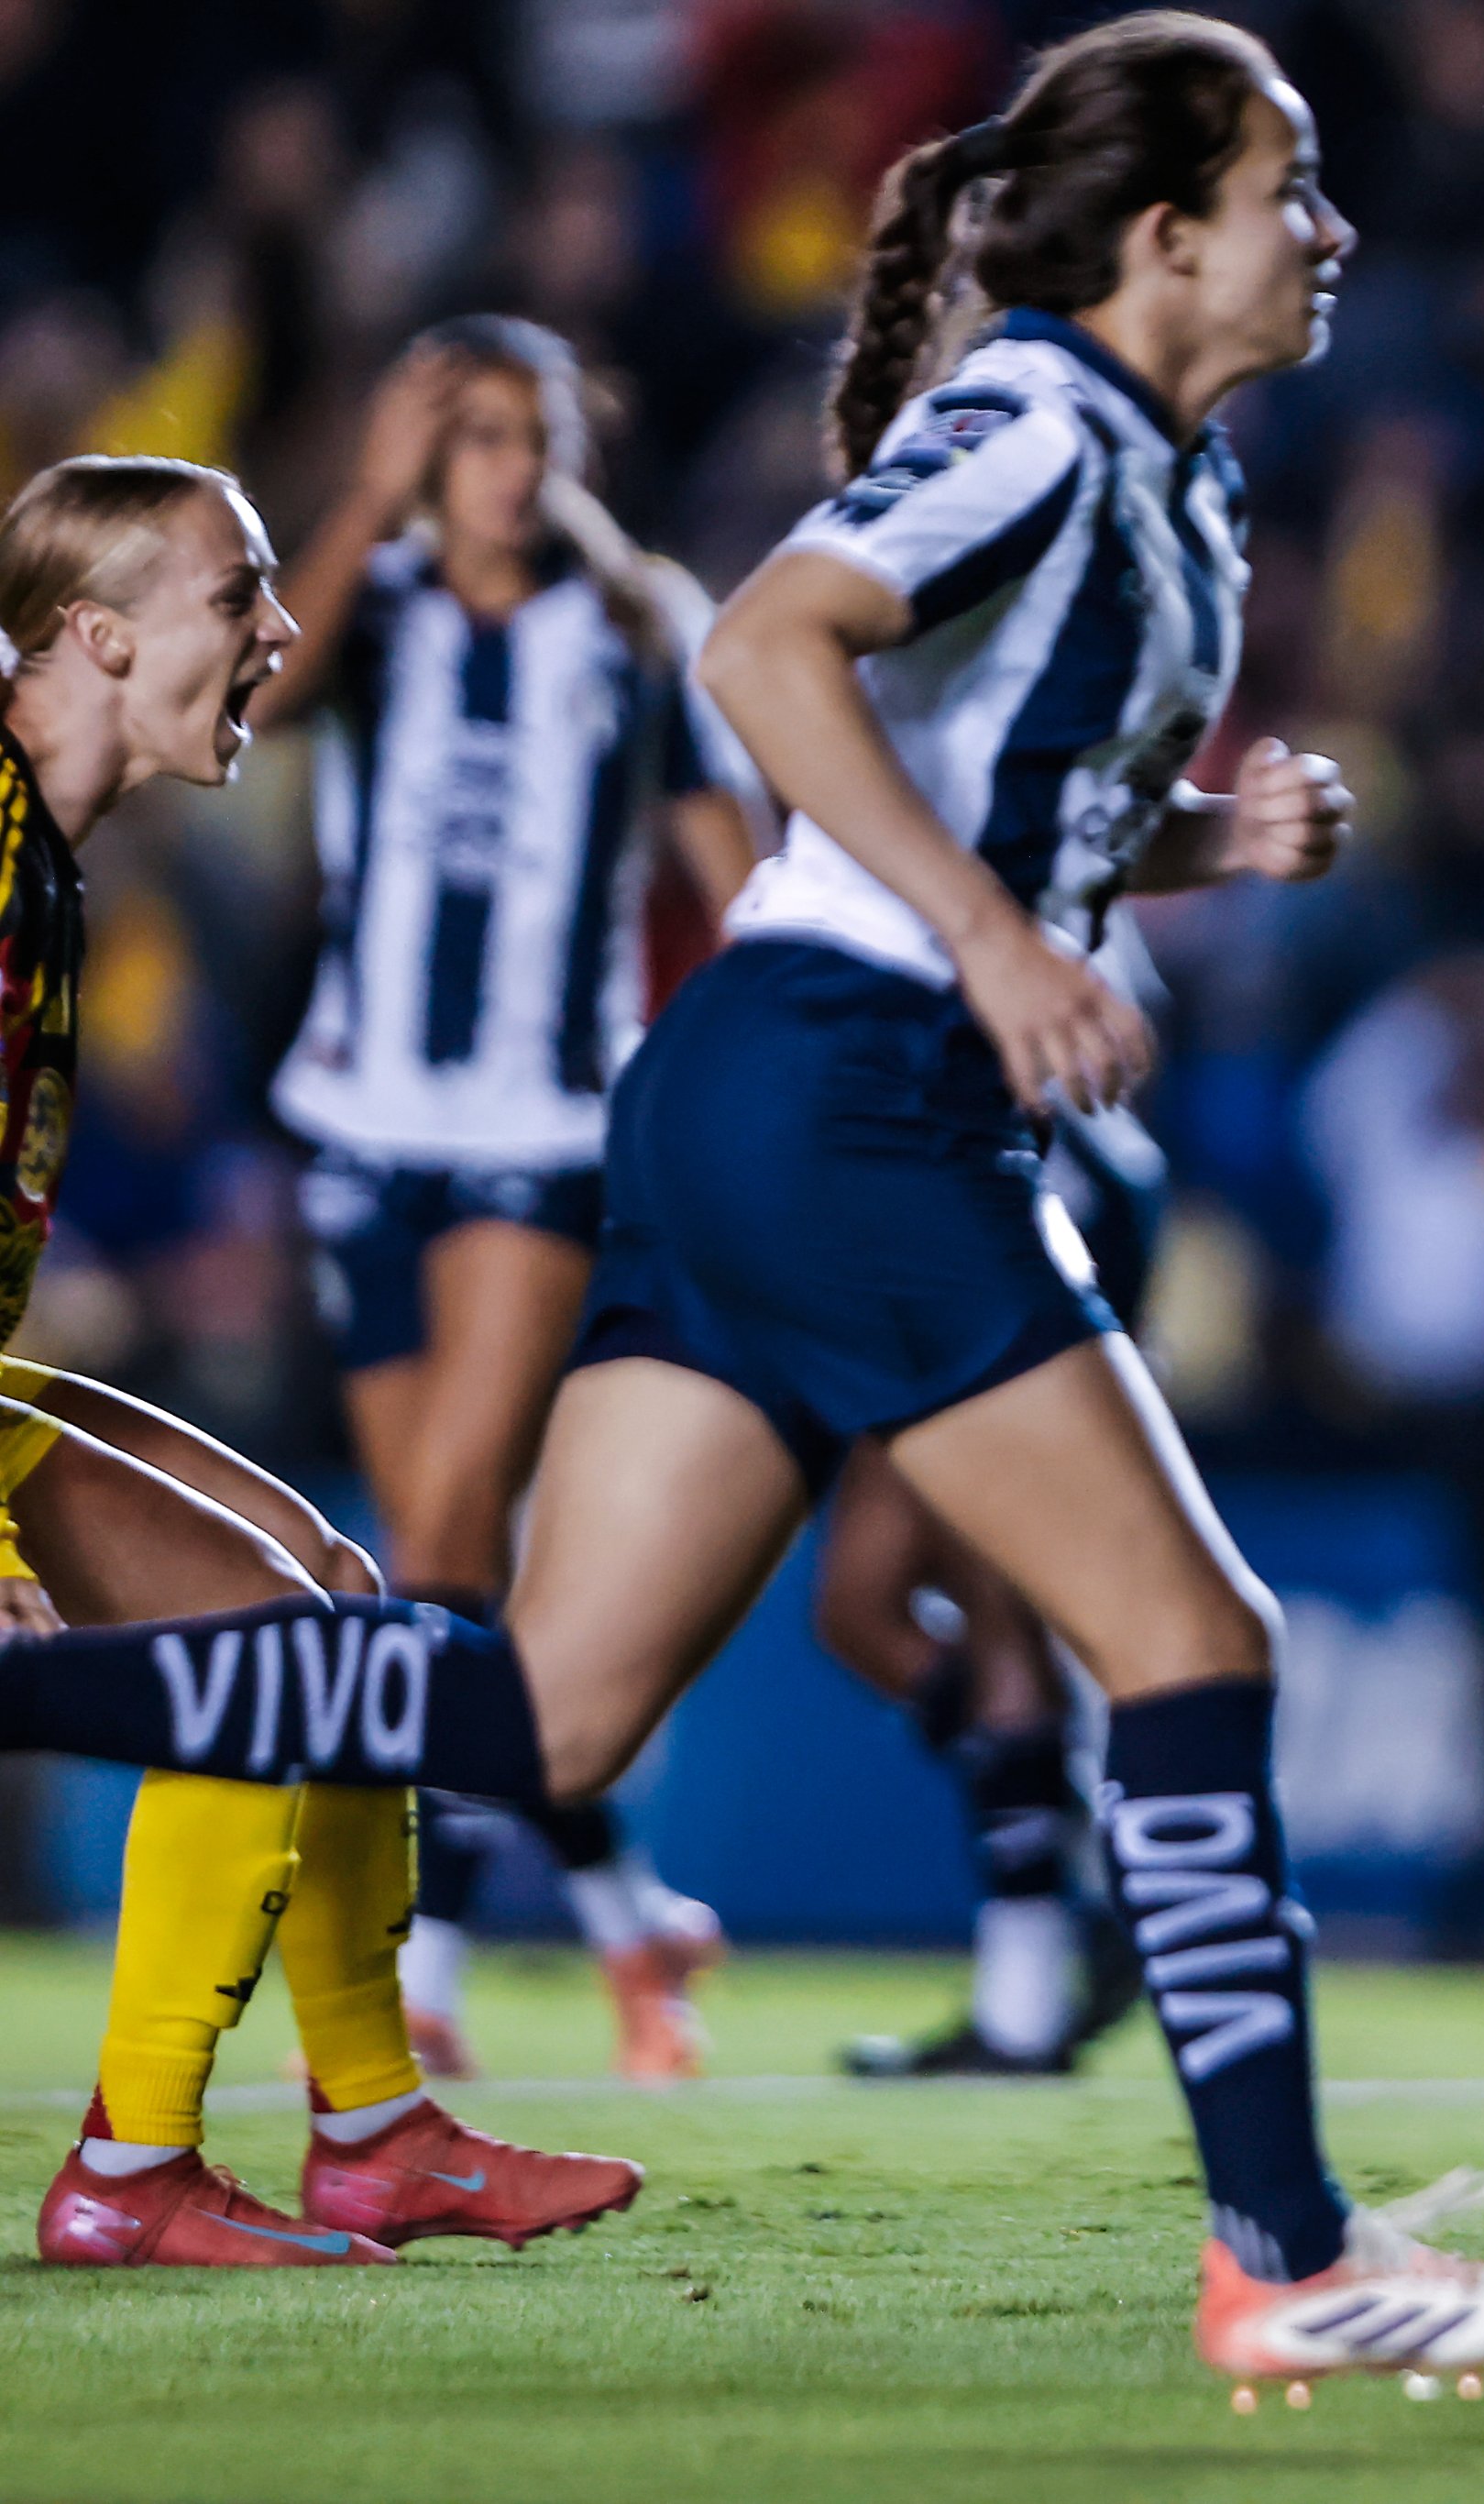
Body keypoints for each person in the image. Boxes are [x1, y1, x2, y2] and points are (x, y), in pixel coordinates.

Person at [0, 16, 1484, 2400]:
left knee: (539, 1712)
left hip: (756, 1091)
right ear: (1167, 234)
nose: (1331, 231)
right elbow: (767, 645)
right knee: (1195, 1642)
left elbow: (930, 778)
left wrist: (1180, 848)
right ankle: (1282, 2248)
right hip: (854, 1097)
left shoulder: (1161, 468)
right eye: (1291, 188)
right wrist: (993, 938)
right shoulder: (1046, 418)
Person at [0, 455, 637, 2267]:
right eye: (240, 591)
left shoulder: (45, 855)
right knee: (280, 1660)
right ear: (102, 635)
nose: (285, 629)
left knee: (336, 1611)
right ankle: (132, 2178)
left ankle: (374, 2131)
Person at [256, 314, 762, 2083]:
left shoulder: (640, 626)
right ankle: (634, 1920)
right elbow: (265, 701)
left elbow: (736, 864)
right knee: (439, 1581)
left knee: (456, 1532)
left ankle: (431, 1963)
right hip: (358, 1120)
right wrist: (361, 495)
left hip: (544, 1130)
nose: (501, 466)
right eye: (464, 435)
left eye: (526, 432)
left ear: (574, 448)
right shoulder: (371, 602)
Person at [823, 982, 1161, 2080]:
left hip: (1004, 1203)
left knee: (994, 1598)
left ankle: (1022, 1997)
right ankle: (1096, 1878)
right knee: (861, 1607)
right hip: (948, 1202)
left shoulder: (998, 856)